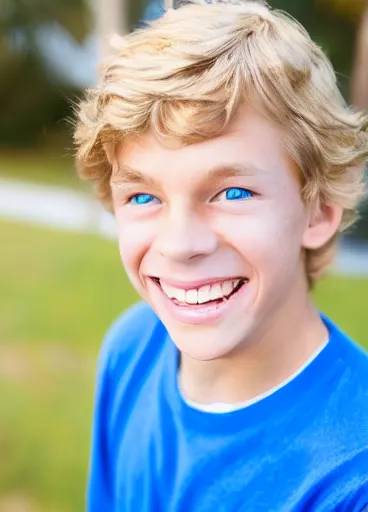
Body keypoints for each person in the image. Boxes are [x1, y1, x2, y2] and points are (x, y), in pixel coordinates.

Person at [73, 1, 368, 510]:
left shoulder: (351, 477)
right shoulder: (129, 352)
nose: (180, 244)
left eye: (232, 193)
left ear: (319, 211)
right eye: (143, 197)